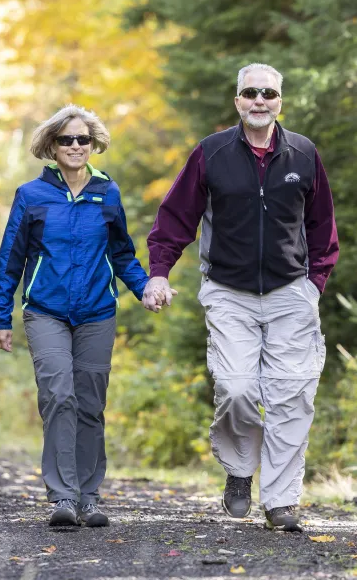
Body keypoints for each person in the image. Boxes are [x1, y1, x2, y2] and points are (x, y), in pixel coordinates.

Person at [145, 63, 339, 531]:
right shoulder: (211, 153)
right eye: (250, 92)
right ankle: (238, 469)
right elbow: (175, 219)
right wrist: (158, 273)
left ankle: (280, 502)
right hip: (228, 292)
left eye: (268, 93)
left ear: (279, 101)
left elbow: (322, 227)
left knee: (292, 396)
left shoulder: (304, 154)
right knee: (236, 388)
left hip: (291, 292)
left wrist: (314, 285)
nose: (259, 100)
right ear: (237, 101)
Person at [0, 105, 172, 528]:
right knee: (58, 396)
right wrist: (0, 314)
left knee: (90, 403)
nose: (75, 146)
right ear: (52, 145)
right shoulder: (31, 195)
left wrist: (145, 286)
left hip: (96, 312)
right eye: (67, 139)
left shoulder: (107, 194)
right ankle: (62, 497)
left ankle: (89, 497)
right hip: (45, 311)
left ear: (93, 145)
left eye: (83, 139)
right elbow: (10, 258)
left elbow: (122, 252)